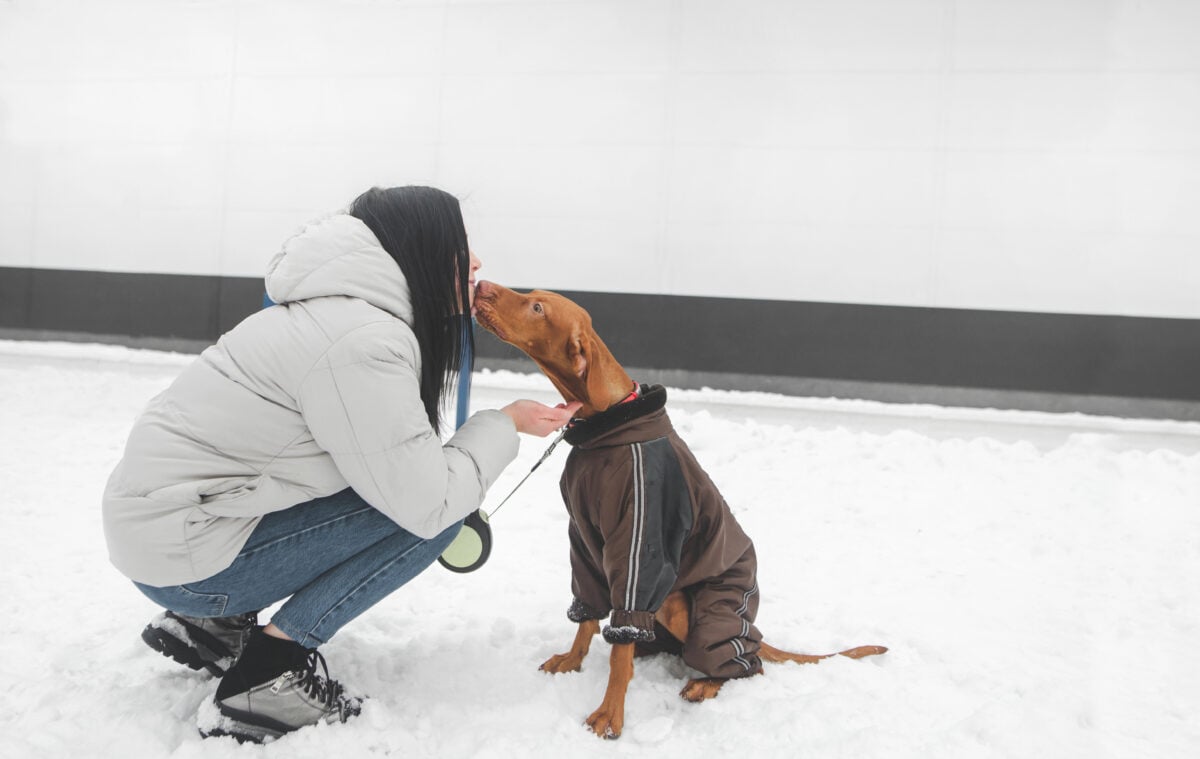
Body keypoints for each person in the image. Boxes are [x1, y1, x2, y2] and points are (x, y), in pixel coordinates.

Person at [101, 185, 579, 743]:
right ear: (420, 249)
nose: (477, 263)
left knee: (394, 486)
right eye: (460, 246)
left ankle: (210, 628)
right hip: (188, 560)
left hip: (166, 534)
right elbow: (428, 503)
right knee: (441, 510)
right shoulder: (362, 340)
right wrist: (505, 423)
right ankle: (267, 675)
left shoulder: (333, 311)